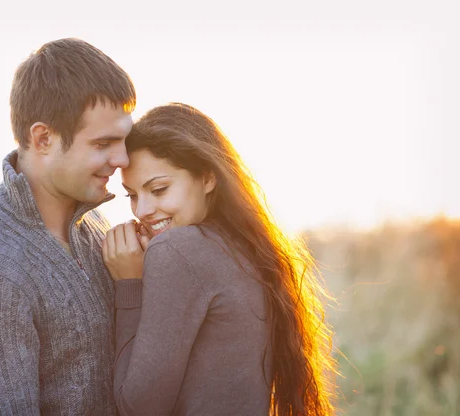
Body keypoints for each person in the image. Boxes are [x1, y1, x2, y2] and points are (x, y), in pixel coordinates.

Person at [0, 38, 135, 415]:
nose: (122, 159)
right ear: (43, 138)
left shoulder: (93, 222)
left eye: (124, 140)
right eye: (104, 143)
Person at [102, 103, 337, 415]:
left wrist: (129, 285)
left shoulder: (177, 250)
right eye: (132, 195)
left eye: (159, 189)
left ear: (208, 178)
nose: (142, 210)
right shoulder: (245, 247)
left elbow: (138, 409)